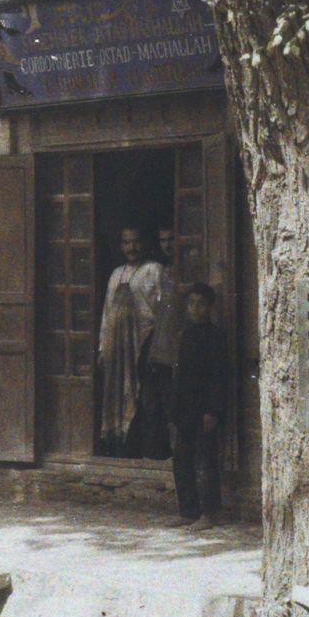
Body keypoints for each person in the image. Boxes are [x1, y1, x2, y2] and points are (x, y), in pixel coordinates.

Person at [98, 225, 163, 455]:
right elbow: (107, 312)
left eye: (135, 242)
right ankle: (121, 447)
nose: (131, 248)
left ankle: (147, 450)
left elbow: (161, 310)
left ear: (143, 243)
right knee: (118, 395)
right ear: (121, 245)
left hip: (145, 343)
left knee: (145, 399)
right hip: (118, 348)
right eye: (126, 243)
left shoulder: (154, 270)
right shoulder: (117, 274)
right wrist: (102, 347)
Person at [169, 282, 228, 527]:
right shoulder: (184, 335)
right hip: (185, 408)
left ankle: (209, 512)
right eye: (191, 303)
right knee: (182, 459)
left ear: (210, 307)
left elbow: (218, 377)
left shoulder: (214, 337)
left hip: (204, 409)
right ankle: (188, 510)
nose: (195, 309)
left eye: (201, 304)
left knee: (205, 462)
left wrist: (212, 410)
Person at [133, 226, 183, 458]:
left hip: (176, 344)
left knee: (173, 402)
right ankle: (156, 451)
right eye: (163, 240)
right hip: (159, 344)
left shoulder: (183, 269)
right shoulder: (163, 270)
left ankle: (177, 451)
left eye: (171, 239)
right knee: (153, 400)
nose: (167, 245)